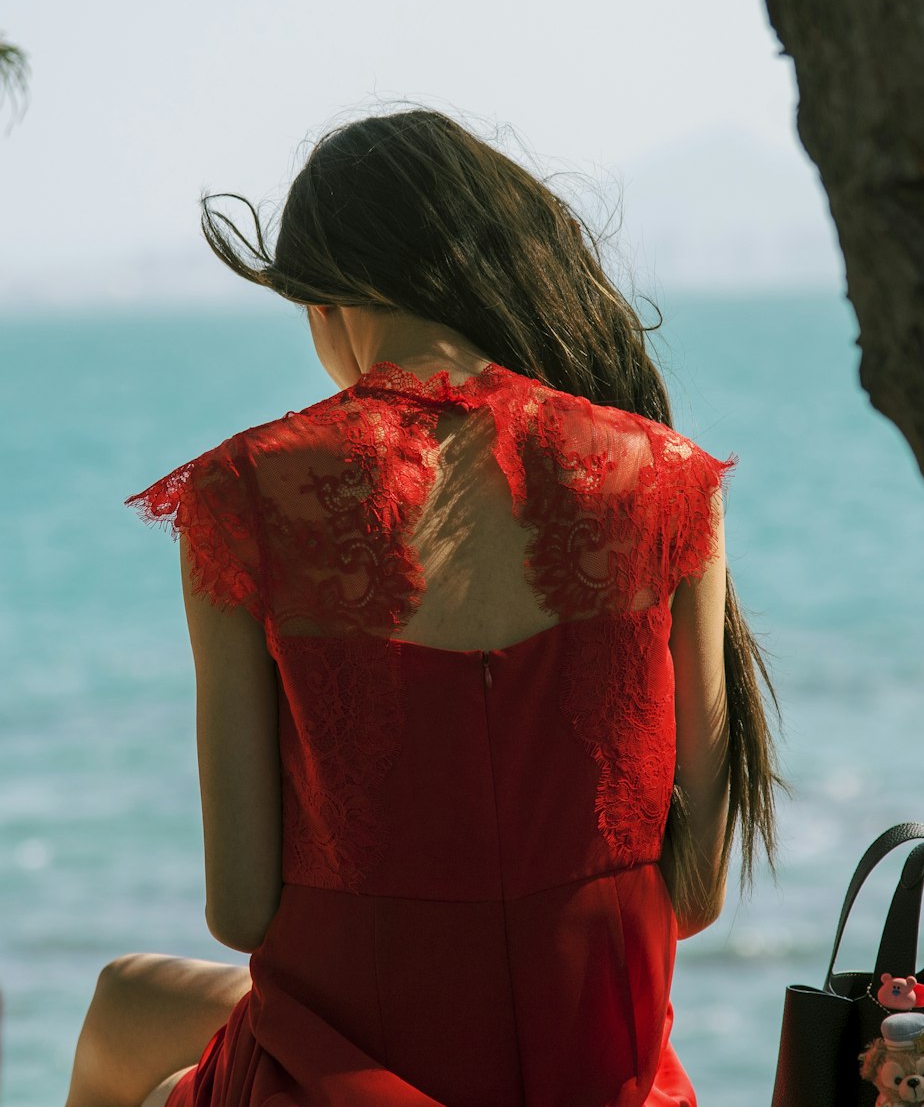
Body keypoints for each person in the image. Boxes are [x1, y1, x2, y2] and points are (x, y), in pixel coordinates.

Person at [64, 107, 784, 1107]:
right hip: (601, 1083)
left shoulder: (244, 496)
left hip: (346, 1080)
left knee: (119, 1009)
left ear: (329, 297)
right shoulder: (668, 479)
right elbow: (693, 893)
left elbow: (240, 907)